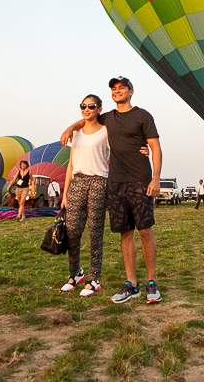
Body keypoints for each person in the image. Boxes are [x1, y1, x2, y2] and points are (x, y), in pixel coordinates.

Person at [61, 76, 162, 304]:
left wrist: (155, 178)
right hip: (116, 182)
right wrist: (70, 128)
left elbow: (155, 147)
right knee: (125, 233)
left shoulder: (143, 116)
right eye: (114, 89)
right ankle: (131, 284)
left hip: (140, 179)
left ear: (131, 91)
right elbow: (87, 119)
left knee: (145, 231)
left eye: (121, 88)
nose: (117, 91)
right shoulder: (108, 117)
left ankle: (151, 282)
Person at [60, 94, 110, 297]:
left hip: (98, 182)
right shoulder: (76, 133)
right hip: (77, 182)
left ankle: (94, 278)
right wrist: (65, 193)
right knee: (72, 232)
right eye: (83, 106)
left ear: (99, 109)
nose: (87, 109)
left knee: (95, 232)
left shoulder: (106, 131)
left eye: (91, 106)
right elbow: (71, 165)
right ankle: (75, 274)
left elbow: (120, 152)